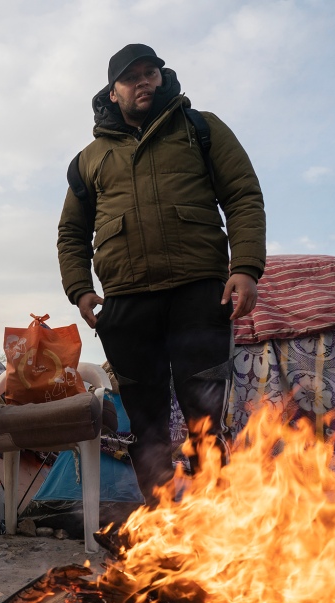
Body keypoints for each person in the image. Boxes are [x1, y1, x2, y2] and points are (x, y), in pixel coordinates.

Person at [56, 43, 266, 504]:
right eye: (132, 78)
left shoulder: (201, 129)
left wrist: (246, 267)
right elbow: (71, 231)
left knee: (206, 419)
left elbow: (243, 196)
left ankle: (215, 525)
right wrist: (80, 290)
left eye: (150, 73)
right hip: (127, 303)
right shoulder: (89, 160)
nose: (143, 82)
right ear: (113, 92)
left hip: (198, 293)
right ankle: (164, 525)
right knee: (146, 426)